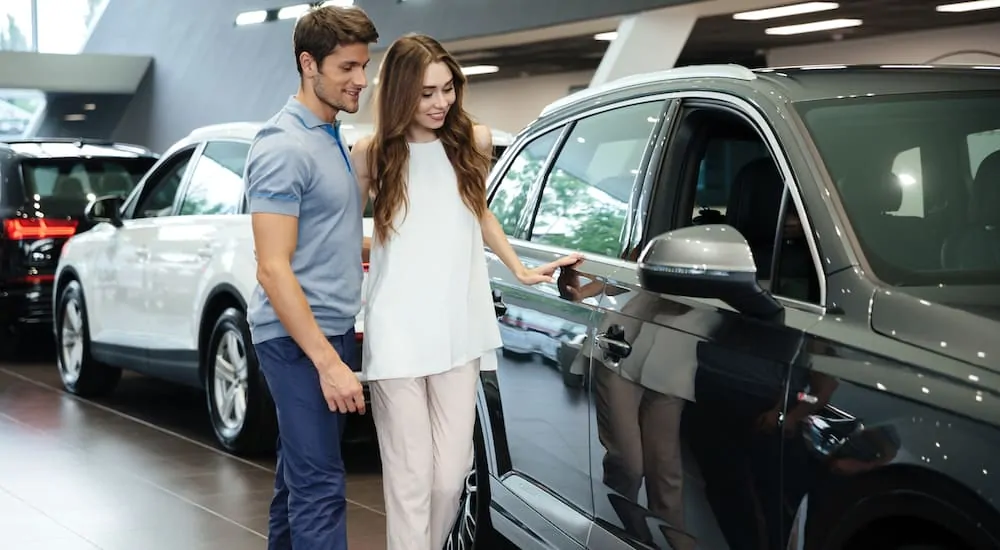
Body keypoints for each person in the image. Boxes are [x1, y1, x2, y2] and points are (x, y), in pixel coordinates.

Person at [349, 33, 582, 550]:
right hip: (397, 328)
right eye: (427, 92)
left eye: (447, 89)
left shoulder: (470, 140)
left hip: (459, 324)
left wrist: (519, 269)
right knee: (409, 480)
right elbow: (346, 230)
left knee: (451, 478)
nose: (440, 103)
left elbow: (479, 211)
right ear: (402, 92)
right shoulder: (371, 152)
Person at [243, 6, 378, 550]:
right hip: (296, 338)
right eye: (347, 67)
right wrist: (328, 363)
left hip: (330, 329)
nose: (360, 80)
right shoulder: (282, 146)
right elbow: (273, 267)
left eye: (364, 66)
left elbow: (332, 234)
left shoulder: (329, 136)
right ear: (309, 64)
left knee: (297, 479)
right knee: (321, 483)